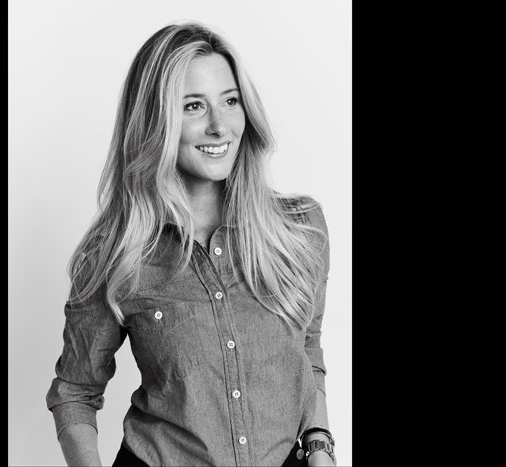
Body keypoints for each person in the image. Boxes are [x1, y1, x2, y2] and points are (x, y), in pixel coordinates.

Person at [46, 21, 336, 467]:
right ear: (155, 120)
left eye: (230, 101)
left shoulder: (298, 230)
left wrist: (319, 445)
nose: (220, 126)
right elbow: (74, 392)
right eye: (194, 106)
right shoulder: (117, 253)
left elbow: (307, 348)